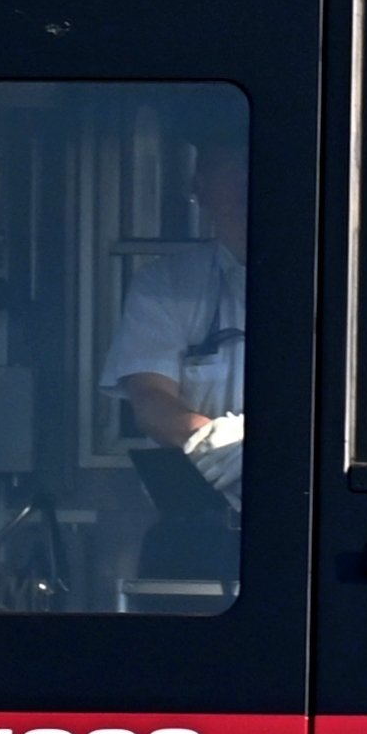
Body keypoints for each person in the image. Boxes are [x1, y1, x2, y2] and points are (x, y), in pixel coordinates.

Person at [105, 142, 249, 501]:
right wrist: (216, 442)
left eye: (256, 166)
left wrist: (275, 452)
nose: (247, 181)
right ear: (200, 189)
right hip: (199, 511)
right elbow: (151, 398)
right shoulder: (164, 283)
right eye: (231, 167)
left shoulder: (349, 283)